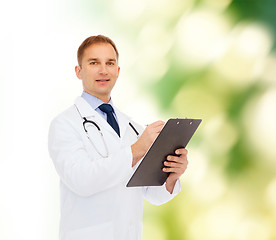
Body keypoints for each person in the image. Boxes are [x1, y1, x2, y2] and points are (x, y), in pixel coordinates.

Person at [48, 35, 188, 240]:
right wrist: (137, 149)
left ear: (118, 71)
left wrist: (172, 175)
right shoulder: (64, 124)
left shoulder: (133, 127)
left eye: (110, 63)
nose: (103, 70)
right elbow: (81, 180)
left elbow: (151, 193)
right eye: (94, 62)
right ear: (79, 71)